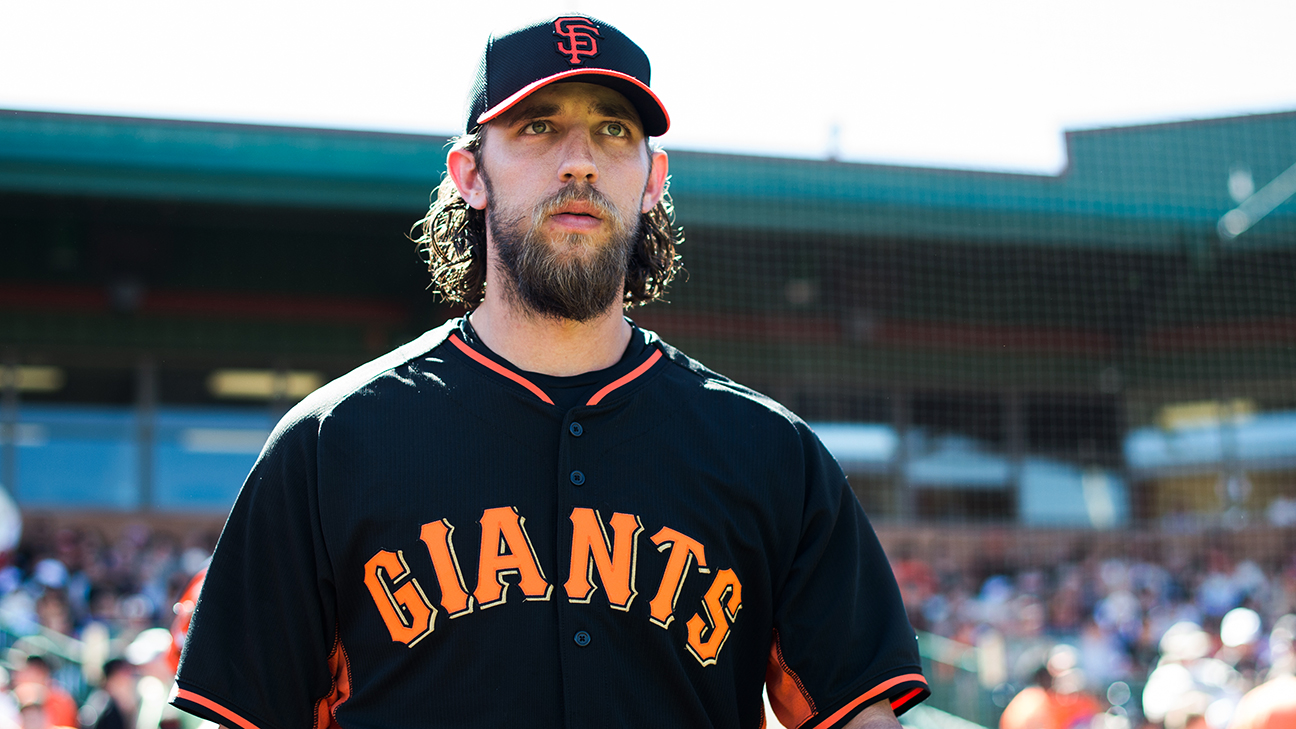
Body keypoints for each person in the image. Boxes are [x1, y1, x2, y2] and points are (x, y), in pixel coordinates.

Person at [170, 15, 928, 729]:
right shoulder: (328, 445)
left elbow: (858, 711)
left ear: (653, 176)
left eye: (613, 129)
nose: (580, 158)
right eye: (539, 126)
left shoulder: (773, 454)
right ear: (469, 172)